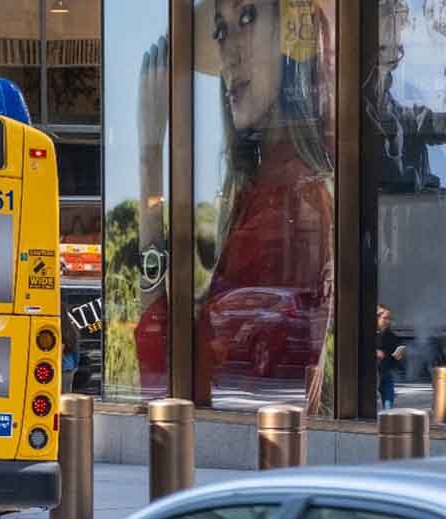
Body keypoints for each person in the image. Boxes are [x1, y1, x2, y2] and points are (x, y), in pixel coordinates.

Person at [135, 0, 336, 414]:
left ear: (290, 40)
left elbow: (180, 379)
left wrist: (150, 154)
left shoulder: (287, 202)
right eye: (220, 31)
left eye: (247, 18)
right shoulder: (267, 191)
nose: (228, 51)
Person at [376, 304, 405, 410]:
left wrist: (398, 356)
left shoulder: (392, 337)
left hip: (386, 374)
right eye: (385, 318)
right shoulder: (366, 334)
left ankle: (386, 424)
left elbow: (396, 356)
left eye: (389, 318)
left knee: (388, 407)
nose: (388, 321)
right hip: (370, 375)